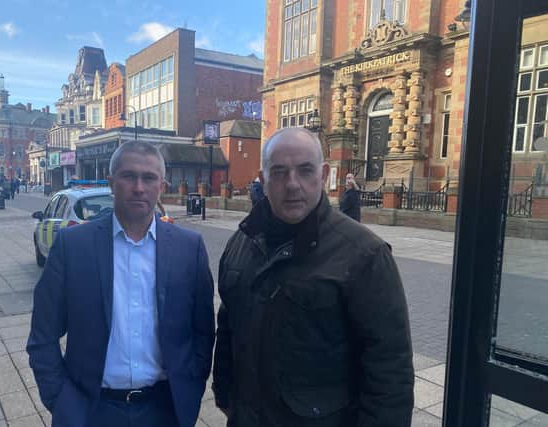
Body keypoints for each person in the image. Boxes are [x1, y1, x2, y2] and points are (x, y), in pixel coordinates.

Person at [212, 127, 414, 427]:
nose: (292, 184)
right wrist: (225, 394)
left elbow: (389, 368)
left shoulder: (364, 254)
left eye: (305, 171)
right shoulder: (242, 241)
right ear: (263, 178)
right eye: (279, 172)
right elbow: (229, 325)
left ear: (323, 175)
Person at [27, 141, 215, 427]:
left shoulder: (189, 248)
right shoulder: (73, 246)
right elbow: (43, 336)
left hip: (165, 410)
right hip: (92, 411)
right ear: (112, 182)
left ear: (162, 186)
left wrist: (190, 389)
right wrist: (61, 400)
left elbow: (203, 331)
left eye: (149, 178)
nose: (139, 187)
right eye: (129, 176)